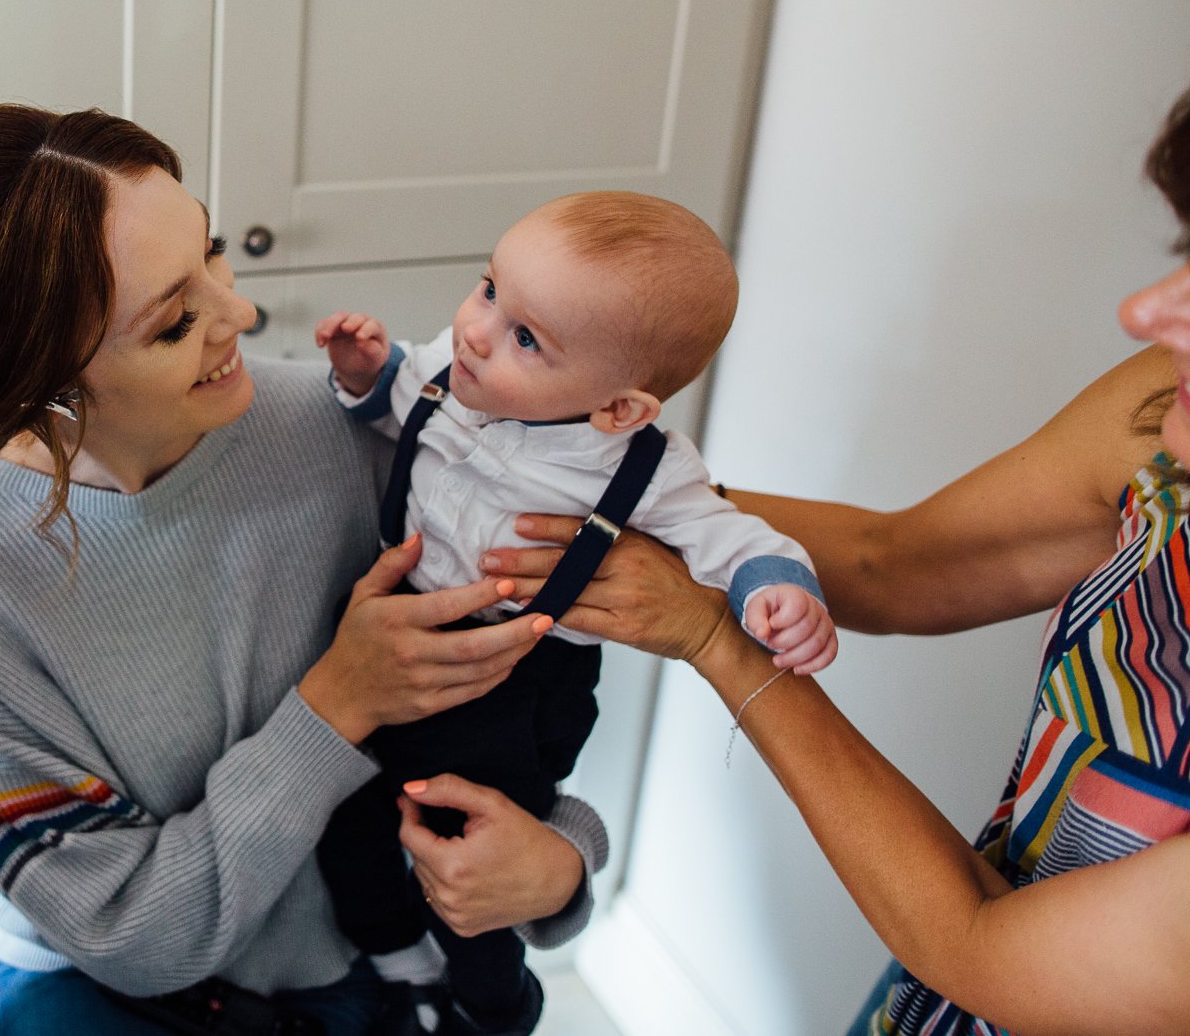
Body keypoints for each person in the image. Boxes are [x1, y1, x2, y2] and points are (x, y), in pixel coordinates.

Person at [402, 88, 1190, 1036]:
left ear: (626, 406)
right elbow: (887, 561)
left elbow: (984, 949)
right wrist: (582, 491)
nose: (1144, 312)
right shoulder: (1159, 418)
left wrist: (711, 626)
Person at [0, 104, 610, 1036]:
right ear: (46, 385)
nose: (242, 312)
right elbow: (130, 933)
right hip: (106, 1002)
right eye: (177, 319)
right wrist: (339, 700)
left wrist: (561, 859)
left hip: (377, 972)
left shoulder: (363, 429)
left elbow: (533, 702)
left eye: (211, 252)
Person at [310, 192, 834, 1035]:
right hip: (400, 623)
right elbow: (391, 401)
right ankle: (394, 955)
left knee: (471, 859)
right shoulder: (452, 367)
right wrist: (363, 373)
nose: (478, 330)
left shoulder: (642, 468)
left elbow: (730, 537)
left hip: (517, 677)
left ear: (620, 406)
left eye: (526, 337)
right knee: (349, 813)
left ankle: (492, 1000)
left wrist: (777, 588)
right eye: (488, 289)